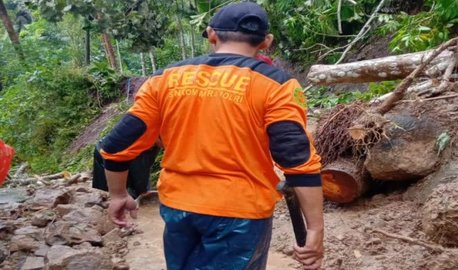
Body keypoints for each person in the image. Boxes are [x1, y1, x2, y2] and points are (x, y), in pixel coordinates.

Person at [99, 2, 324, 269]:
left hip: (178, 207)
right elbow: (298, 162)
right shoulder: (277, 85)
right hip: (241, 214)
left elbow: (115, 146)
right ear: (266, 42)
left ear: (212, 34)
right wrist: (315, 229)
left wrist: (117, 195)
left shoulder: (165, 79)